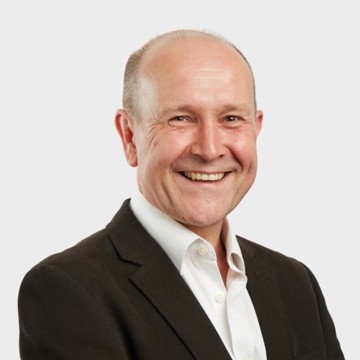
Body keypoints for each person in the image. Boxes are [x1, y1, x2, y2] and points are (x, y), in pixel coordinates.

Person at [18, 30, 344, 360]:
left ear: (256, 129)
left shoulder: (296, 284)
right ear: (130, 136)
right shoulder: (68, 291)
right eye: (181, 118)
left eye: (231, 118)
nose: (210, 149)